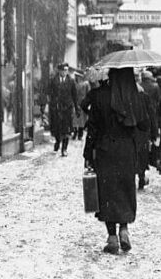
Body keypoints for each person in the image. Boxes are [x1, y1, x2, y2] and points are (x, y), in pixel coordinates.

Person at [83, 68, 149, 254]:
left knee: (108, 191)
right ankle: (124, 230)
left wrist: (88, 154)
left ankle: (112, 236)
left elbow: (93, 129)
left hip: (105, 151)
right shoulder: (134, 95)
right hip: (127, 151)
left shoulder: (99, 96)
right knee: (125, 189)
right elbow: (144, 125)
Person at [48, 62, 79, 156]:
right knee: (57, 128)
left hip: (67, 109)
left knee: (66, 129)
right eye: (63, 70)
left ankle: (64, 149)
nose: (64, 72)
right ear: (59, 70)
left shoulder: (71, 81)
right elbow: (49, 93)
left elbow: (75, 96)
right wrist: (51, 105)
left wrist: (77, 108)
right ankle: (57, 141)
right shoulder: (53, 80)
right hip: (56, 108)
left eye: (66, 70)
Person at [72, 71, 90, 140]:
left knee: (82, 121)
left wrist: (87, 103)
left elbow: (88, 94)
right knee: (74, 120)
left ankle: (80, 134)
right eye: (76, 76)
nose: (76, 77)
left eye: (77, 76)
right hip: (75, 104)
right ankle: (75, 133)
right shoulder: (74, 83)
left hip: (83, 104)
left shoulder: (85, 84)